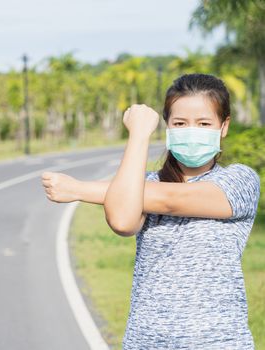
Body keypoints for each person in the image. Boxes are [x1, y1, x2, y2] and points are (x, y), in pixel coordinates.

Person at [41, 73, 260, 349]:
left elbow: (170, 200)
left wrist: (80, 189)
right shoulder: (139, 184)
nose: (191, 130)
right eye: (180, 123)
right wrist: (139, 135)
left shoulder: (240, 180)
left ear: (223, 126)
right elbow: (122, 219)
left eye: (204, 123)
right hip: (145, 342)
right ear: (167, 127)